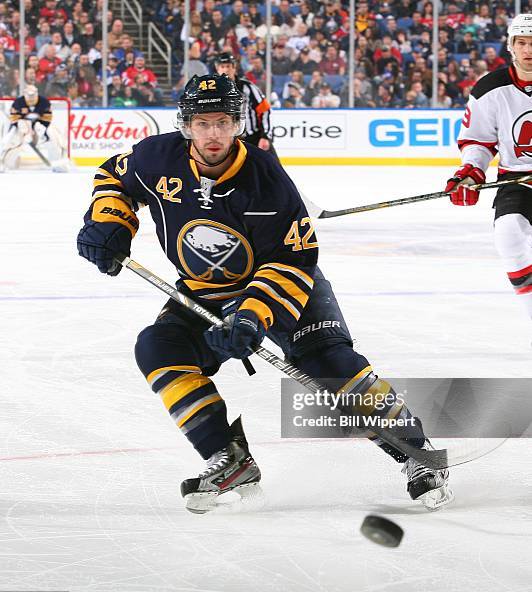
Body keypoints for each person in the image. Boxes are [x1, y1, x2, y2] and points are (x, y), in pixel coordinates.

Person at [76, 74, 453, 514]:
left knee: (330, 366)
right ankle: (228, 458)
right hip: (205, 292)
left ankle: (418, 453)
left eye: (222, 122)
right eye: (202, 123)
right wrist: (111, 224)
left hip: (282, 287)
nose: (213, 134)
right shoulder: (156, 157)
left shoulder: (267, 181)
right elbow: (113, 178)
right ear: (186, 125)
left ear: (238, 123)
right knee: (158, 348)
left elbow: (293, 262)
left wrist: (252, 315)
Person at [444, 14, 532, 331]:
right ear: (510, 47)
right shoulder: (490, 88)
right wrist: (470, 171)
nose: (528, 50)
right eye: (521, 43)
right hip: (516, 179)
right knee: (509, 233)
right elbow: (478, 141)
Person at [214, 51, 274, 154]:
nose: (225, 70)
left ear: (234, 67)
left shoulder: (247, 87)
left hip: (253, 139)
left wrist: (265, 136)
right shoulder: (212, 91)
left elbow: (264, 110)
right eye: (222, 66)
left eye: (228, 66)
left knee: (273, 169)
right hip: (228, 141)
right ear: (217, 69)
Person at [0, 85, 69, 172]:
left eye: (33, 95)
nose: (31, 98)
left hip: (39, 125)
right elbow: (14, 119)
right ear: (24, 94)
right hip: (22, 126)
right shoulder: (18, 103)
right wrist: (25, 129)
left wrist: (40, 130)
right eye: (29, 96)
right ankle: (4, 163)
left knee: (53, 135)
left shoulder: (44, 102)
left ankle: (58, 163)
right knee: (12, 139)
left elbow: (47, 119)